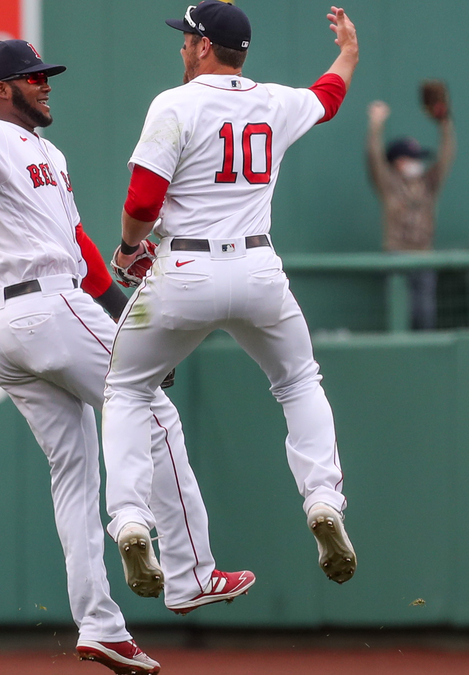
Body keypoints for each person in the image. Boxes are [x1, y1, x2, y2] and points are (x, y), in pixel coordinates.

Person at [0, 36, 239, 675]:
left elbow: (79, 244)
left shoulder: (50, 151)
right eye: (34, 76)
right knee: (153, 413)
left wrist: (125, 310)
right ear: (1, 89)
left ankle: (100, 627)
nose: (46, 84)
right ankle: (190, 573)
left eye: (46, 75)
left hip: (16, 323)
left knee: (75, 473)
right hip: (44, 304)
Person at [103, 1, 360, 598]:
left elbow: (143, 202)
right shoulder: (271, 101)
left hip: (185, 268)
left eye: (186, 40)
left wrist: (125, 252)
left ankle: (133, 520)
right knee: (298, 382)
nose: (182, 49)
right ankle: (322, 500)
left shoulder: (175, 103)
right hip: (258, 268)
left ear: (200, 46)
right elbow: (328, 97)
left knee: (127, 388)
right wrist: (348, 51)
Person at [366, 85, 456, 330]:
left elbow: (446, 156)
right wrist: (376, 125)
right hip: (396, 254)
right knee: (401, 315)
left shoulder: (428, 183)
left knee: (425, 313)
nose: (417, 163)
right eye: (412, 158)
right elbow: (374, 158)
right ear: (398, 161)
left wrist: (444, 122)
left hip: (423, 254)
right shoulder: (390, 184)